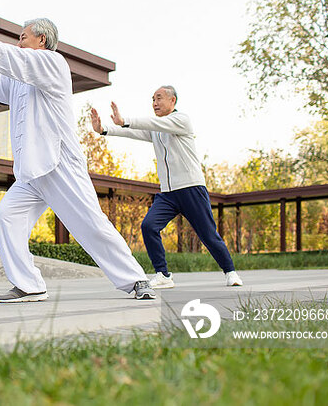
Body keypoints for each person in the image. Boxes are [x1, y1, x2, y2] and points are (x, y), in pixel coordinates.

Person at [0, 12, 155, 301]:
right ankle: (29, 285)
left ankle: (136, 279)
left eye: (22, 37)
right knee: (4, 218)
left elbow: (17, 61)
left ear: (42, 39)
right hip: (31, 170)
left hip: (59, 163)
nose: (18, 43)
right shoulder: (18, 81)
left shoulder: (53, 63)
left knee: (90, 223)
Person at [90, 86, 243, 288]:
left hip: (191, 188)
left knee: (207, 234)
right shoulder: (157, 129)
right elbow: (134, 132)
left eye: (159, 98)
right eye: (152, 99)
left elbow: (146, 123)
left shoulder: (182, 120)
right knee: (149, 226)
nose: (154, 103)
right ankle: (163, 275)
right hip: (168, 193)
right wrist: (104, 130)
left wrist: (125, 119)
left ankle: (230, 272)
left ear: (173, 101)